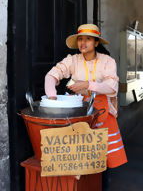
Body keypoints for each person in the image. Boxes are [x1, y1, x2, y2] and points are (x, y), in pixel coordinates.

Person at [44, 24, 127, 186]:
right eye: (80, 39)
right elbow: (51, 75)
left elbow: (112, 87)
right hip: (80, 112)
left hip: (102, 110)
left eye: (88, 39)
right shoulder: (72, 60)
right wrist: (51, 97)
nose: (83, 43)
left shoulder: (107, 61)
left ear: (96, 43)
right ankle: (84, 186)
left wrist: (87, 85)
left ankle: (102, 184)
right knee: (82, 151)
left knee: (101, 153)